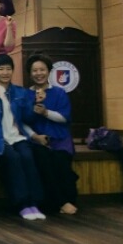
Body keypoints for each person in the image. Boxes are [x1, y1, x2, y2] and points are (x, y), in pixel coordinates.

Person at [0, 54, 45, 220]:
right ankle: (21, 204)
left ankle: (33, 202)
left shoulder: (20, 91)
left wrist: (36, 104)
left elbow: (27, 118)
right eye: (1, 69)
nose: (5, 72)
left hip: (18, 135)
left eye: (8, 69)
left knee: (27, 156)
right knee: (13, 158)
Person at [24, 54, 78, 215]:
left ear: (48, 71)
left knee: (61, 162)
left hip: (60, 138)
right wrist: (35, 136)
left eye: (42, 69)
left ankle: (67, 199)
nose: (38, 73)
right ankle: (61, 202)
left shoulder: (60, 93)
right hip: (37, 140)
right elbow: (23, 122)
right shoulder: (25, 95)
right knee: (44, 161)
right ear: (30, 73)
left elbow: (64, 118)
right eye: (35, 70)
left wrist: (45, 112)